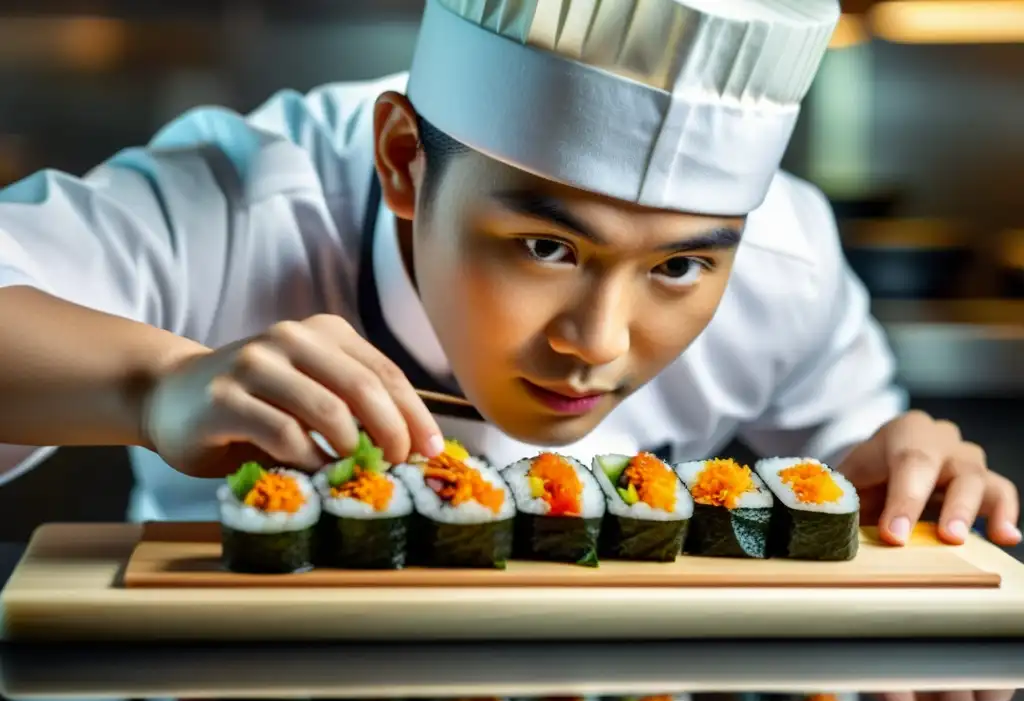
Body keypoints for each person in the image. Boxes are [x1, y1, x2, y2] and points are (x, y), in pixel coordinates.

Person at [0, 0, 1017, 547]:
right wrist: (152, 384)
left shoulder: (787, 259)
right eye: (546, 247)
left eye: (677, 266)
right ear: (404, 160)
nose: (599, 344)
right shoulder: (243, 197)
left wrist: (908, 475)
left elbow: (855, 464)